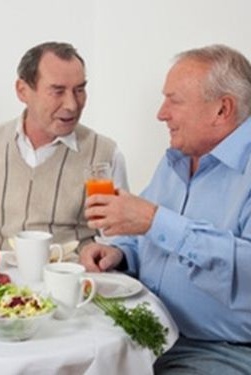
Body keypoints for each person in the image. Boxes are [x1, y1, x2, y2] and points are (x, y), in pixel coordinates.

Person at [80, 44, 251, 374]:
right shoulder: (177, 158)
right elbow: (149, 235)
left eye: (174, 100)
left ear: (222, 109)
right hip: (147, 332)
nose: (161, 113)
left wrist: (153, 220)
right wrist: (119, 251)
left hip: (217, 350)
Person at [0, 41, 128, 250]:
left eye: (79, 90)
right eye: (57, 91)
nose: (72, 105)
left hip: (73, 279)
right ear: (23, 90)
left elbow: (117, 242)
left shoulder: (104, 153)